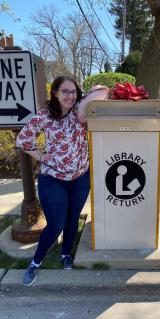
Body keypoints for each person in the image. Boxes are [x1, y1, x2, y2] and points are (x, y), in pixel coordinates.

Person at [16, 75, 109, 286]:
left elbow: (104, 91)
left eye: (73, 91)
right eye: (64, 91)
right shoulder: (45, 115)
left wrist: (90, 93)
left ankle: (66, 253)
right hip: (53, 179)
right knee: (56, 223)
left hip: (80, 178)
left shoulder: (80, 111)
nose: (69, 95)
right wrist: (40, 156)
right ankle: (36, 262)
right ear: (55, 93)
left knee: (72, 218)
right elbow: (23, 139)